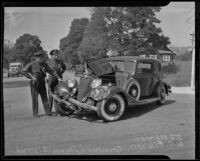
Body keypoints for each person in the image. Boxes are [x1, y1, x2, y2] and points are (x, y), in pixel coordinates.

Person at [22, 51, 59, 118]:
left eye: (41, 57)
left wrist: (56, 75)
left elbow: (50, 71)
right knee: (35, 99)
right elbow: (23, 71)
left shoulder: (44, 64)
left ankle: (48, 112)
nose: (41, 59)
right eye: (39, 58)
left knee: (44, 98)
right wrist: (31, 77)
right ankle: (35, 114)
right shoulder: (32, 64)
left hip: (42, 82)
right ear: (36, 58)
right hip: (34, 84)